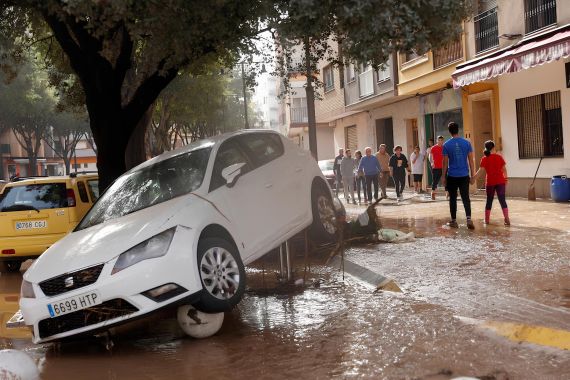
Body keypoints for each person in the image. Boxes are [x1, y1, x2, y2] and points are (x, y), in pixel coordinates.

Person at [441, 122, 476, 230]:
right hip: (464, 175)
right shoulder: (466, 143)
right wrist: (473, 175)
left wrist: (443, 177)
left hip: (452, 176)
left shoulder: (446, 145)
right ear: (458, 130)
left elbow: (445, 163)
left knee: (453, 198)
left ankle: (454, 221)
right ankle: (469, 219)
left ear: (449, 131)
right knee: (466, 197)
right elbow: (471, 160)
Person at [472, 140, 510, 226]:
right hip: (500, 181)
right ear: (493, 148)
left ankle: (487, 220)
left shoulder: (484, 159)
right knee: (502, 200)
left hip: (490, 182)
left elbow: (480, 171)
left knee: (489, 201)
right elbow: (504, 169)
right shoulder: (499, 157)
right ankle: (507, 218)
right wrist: (506, 179)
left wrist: (473, 178)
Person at [429, 136, 444, 200]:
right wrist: (432, 163)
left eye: (441, 140)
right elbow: (430, 156)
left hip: (443, 167)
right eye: (439, 140)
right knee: (435, 180)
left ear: (443, 141)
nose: (440, 141)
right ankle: (433, 193)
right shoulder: (433, 148)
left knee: (445, 180)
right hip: (436, 167)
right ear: (437, 140)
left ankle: (447, 193)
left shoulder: (444, 148)